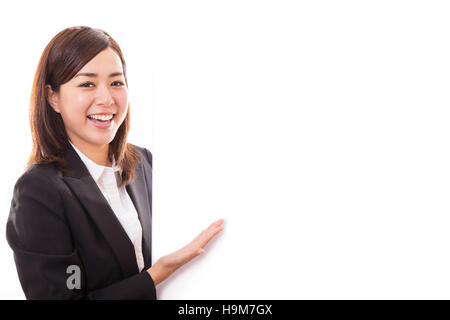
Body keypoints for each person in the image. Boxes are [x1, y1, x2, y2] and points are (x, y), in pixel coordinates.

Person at [5, 26, 224, 300]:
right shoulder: (39, 191)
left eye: (116, 82)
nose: (107, 99)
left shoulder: (144, 162)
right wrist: (156, 275)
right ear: (53, 97)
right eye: (87, 84)